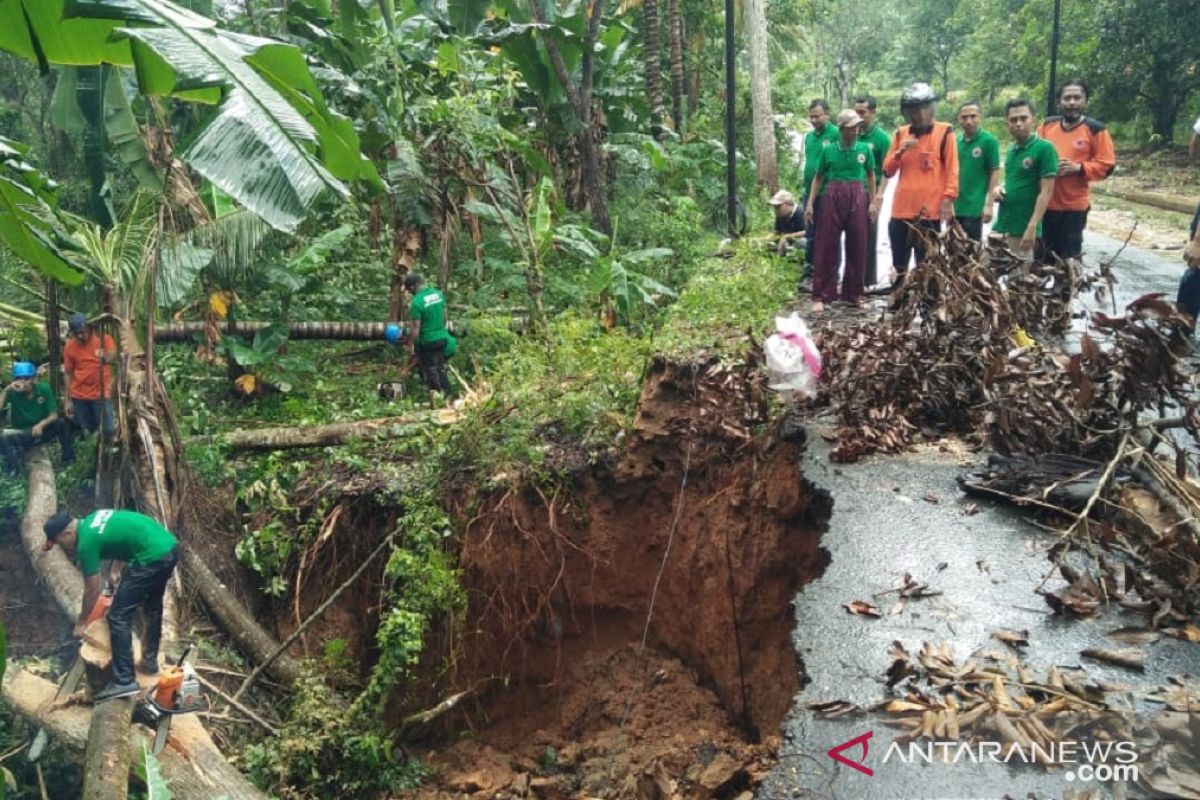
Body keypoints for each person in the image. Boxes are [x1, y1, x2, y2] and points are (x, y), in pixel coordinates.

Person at [42, 508, 178, 700]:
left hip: (149, 558)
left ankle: (124, 681)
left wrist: (82, 622)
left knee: (118, 617)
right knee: (152, 608)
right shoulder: (93, 519)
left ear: (67, 533)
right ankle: (149, 662)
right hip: (168, 547)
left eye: (58, 542)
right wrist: (116, 570)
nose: (61, 546)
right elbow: (125, 537)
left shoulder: (86, 544)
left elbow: (92, 590)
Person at [883, 83, 959, 285]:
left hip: (928, 213)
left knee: (927, 264)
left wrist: (948, 199)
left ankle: (928, 308)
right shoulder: (900, 133)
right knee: (899, 263)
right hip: (901, 211)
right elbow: (888, 170)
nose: (919, 115)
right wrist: (900, 152)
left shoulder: (945, 133)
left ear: (932, 108)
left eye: (924, 109)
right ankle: (898, 303)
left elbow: (952, 170)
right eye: (914, 111)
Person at [1036, 80, 1116, 263]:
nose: (1072, 102)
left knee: (1068, 262)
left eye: (1077, 98)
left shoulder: (1096, 130)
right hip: (1045, 204)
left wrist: (1079, 168)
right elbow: (1034, 154)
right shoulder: (1047, 126)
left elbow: (1107, 165)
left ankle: (1066, 292)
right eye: (1067, 98)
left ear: (1085, 101)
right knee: (1040, 259)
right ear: (1059, 102)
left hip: (1073, 208)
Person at [804, 109, 876, 312]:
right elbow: (818, 177)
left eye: (857, 127)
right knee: (825, 245)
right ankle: (821, 295)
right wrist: (810, 204)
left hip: (857, 195)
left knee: (858, 245)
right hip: (832, 195)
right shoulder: (829, 150)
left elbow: (871, 175)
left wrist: (872, 202)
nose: (855, 131)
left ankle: (853, 294)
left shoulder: (864, 149)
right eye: (851, 127)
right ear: (842, 129)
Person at [991, 99, 1058, 261]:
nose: (1018, 124)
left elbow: (1046, 192)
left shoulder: (1044, 148)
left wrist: (1032, 227)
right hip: (1003, 225)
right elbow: (1013, 180)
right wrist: (999, 188)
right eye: (1013, 120)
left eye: (1023, 118)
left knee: (1020, 279)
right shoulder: (1012, 149)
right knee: (990, 277)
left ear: (1033, 120)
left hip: (1024, 228)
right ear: (1007, 123)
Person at [1, 361, 74, 473]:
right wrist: (5, 391)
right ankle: (14, 471)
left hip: (41, 431)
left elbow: (53, 414)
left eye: (26, 378)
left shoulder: (43, 389)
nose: (23, 382)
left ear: (34, 379)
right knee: (3, 439)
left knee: (61, 423)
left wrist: (41, 424)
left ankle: (68, 460)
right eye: (19, 378)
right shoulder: (12, 393)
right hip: (22, 433)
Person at [800, 100, 841, 285]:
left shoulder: (836, 134)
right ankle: (810, 271)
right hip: (809, 193)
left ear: (827, 115)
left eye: (817, 115)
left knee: (830, 234)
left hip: (828, 193)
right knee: (811, 233)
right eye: (811, 116)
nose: (814, 119)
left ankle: (832, 272)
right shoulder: (808, 137)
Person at [954, 101, 1001, 243]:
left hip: (975, 207)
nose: (968, 121)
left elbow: (994, 172)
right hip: (955, 207)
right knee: (953, 251)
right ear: (958, 119)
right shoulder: (955, 142)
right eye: (964, 117)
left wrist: (989, 205)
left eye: (973, 116)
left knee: (971, 250)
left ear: (980, 117)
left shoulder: (989, 141)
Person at [855, 95, 891, 286]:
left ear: (873, 112)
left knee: (869, 234)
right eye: (856, 113)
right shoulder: (853, 135)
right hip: (852, 191)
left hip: (870, 191)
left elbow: (887, 171)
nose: (859, 117)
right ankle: (852, 277)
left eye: (863, 113)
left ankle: (867, 280)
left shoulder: (882, 138)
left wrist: (878, 196)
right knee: (853, 235)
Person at [63, 312, 117, 437]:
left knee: (108, 429)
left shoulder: (103, 339)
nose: (81, 336)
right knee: (88, 429)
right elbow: (68, 373)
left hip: (100, 393)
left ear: (88, 328)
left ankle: (108, 451)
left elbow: (113, 354)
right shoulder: (69, 347)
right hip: (79, 394)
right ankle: (95, 452)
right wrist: (68, 398)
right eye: (77, 334)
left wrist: (106, 357)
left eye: (83, 332)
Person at [405, 273, 452, 395]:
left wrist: (411, 344)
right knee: (440, 368)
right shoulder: (437, 294)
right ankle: (448, 394)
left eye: (409, 290)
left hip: (428, 340)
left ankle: (438, 397)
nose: (410, 293)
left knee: (431, 370)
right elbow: (445, 316)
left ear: (413, 287)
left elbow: (416, 327)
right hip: (442, 337)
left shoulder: (416, 303)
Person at [768, 190, 805, 256]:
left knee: (801, 243)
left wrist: (787, 236)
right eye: (775, 207)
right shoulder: (780, 215)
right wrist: (763, 240)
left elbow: (807, 232)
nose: (776, 210)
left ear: (788, 204)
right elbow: (776, 232)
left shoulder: (801, 212)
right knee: (769, 245)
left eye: (778, 207)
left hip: (799, 243)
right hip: (787, 243)